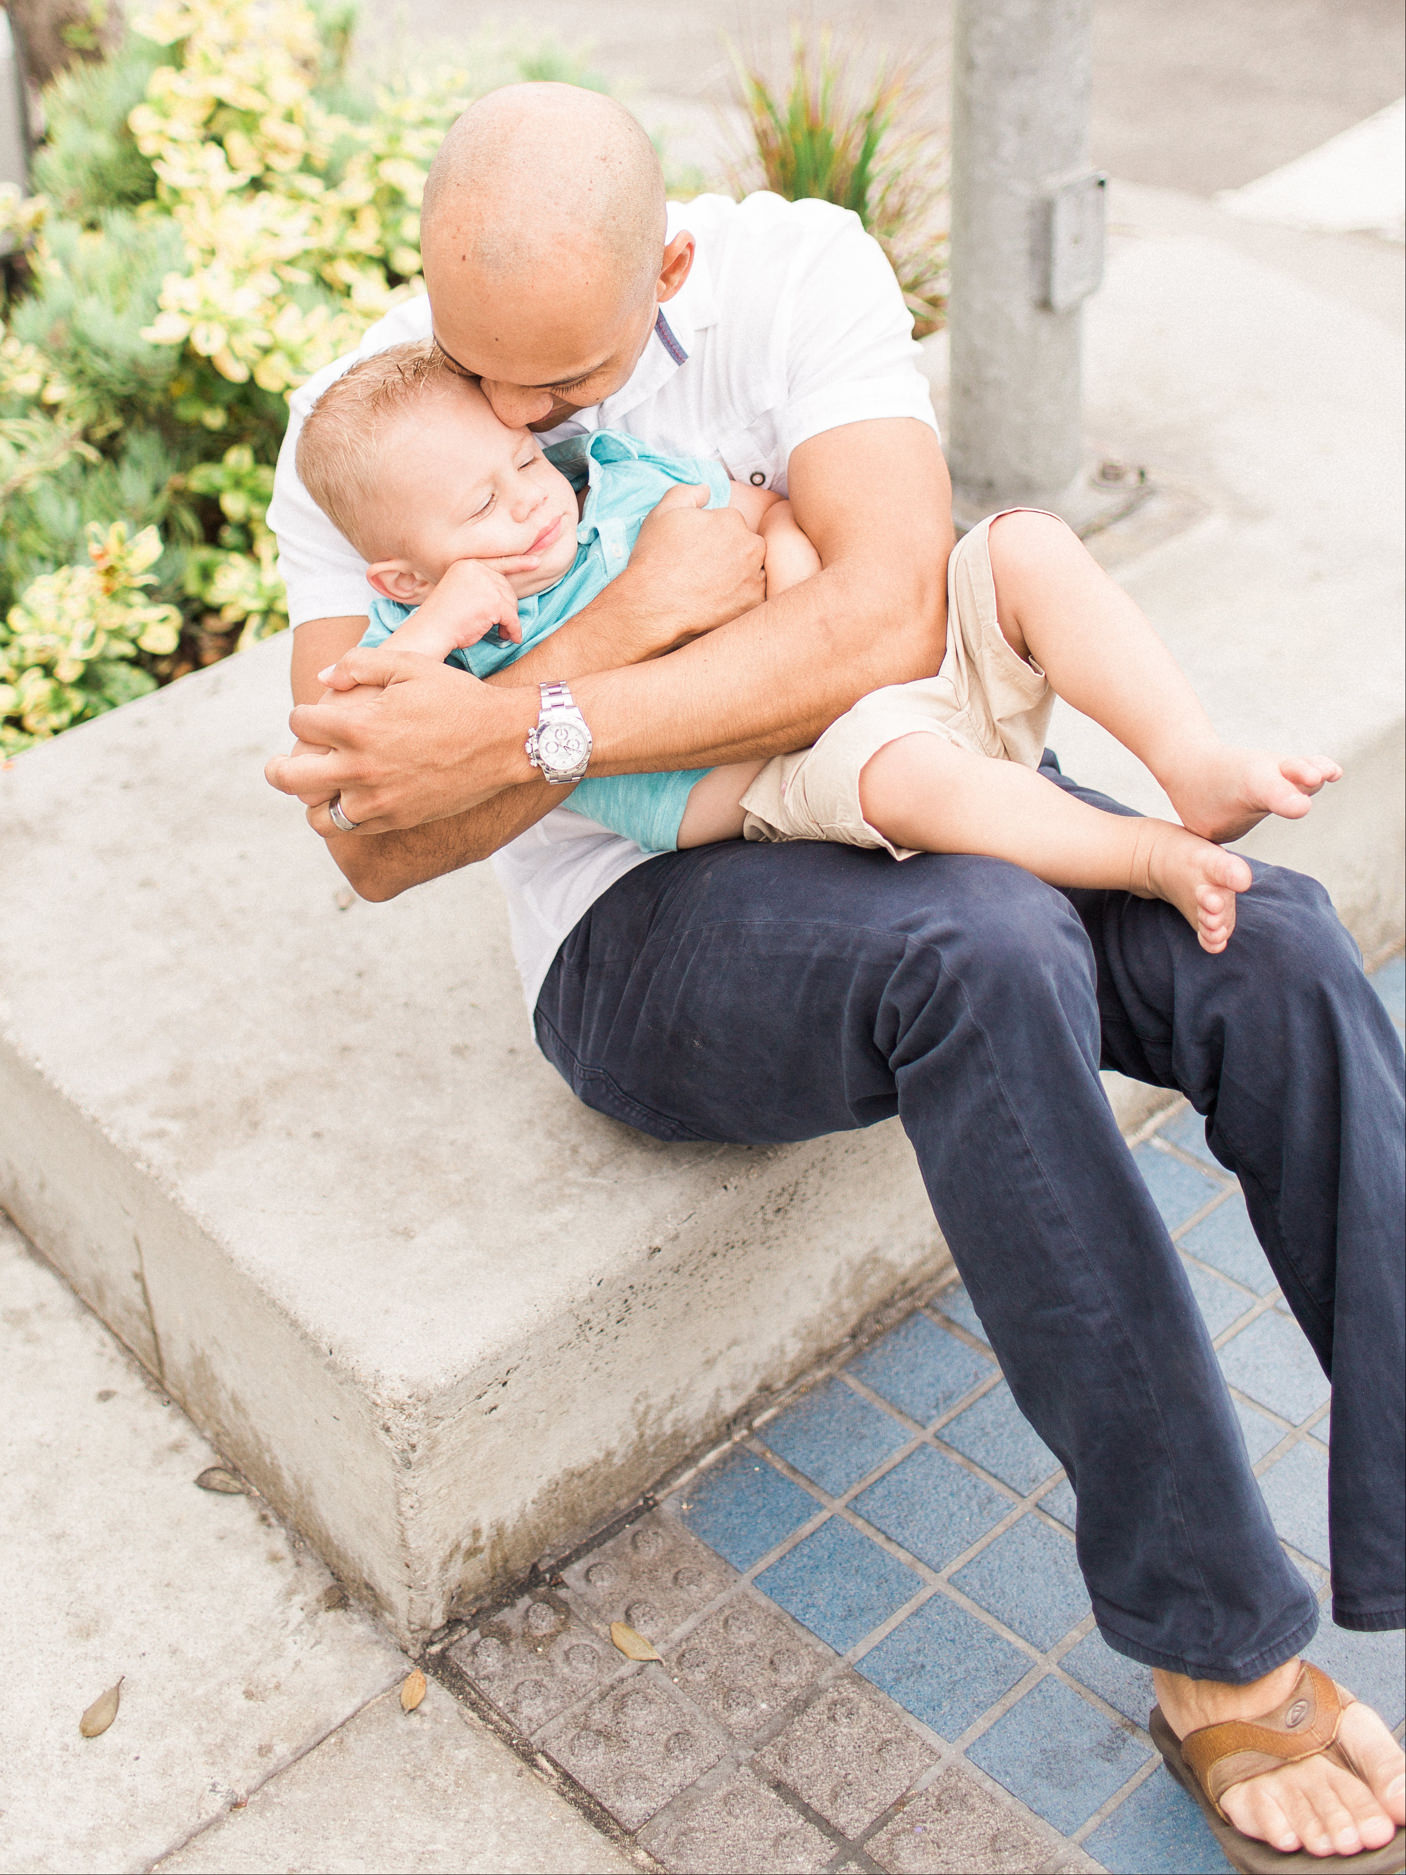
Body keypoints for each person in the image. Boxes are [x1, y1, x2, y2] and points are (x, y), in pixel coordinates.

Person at [265, 83, 1405, 1871]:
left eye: (561, 391)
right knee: (991, 944)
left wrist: (507, 723)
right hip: (649, 921)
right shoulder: (378, 427)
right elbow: (373, 832)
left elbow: (881, 615)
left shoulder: (797, 279)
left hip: (904, 760)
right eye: (481, 371)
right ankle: (1212, 1639)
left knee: (1272, 939)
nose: (517, 421)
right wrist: (635, 631)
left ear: (671, 263)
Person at [293, 340, 1340, 953]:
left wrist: (781, 559)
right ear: (399, 575)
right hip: (763, 773)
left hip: (841, 672)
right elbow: (369, 733)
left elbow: (750, 518)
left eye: (520, 461)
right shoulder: (429, 632)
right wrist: (444, 619)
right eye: (480, 506)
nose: (529, 502)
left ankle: (1190, 764)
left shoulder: (601, 473)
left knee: (1024, 545)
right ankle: (1141, 855)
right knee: (911, 776)